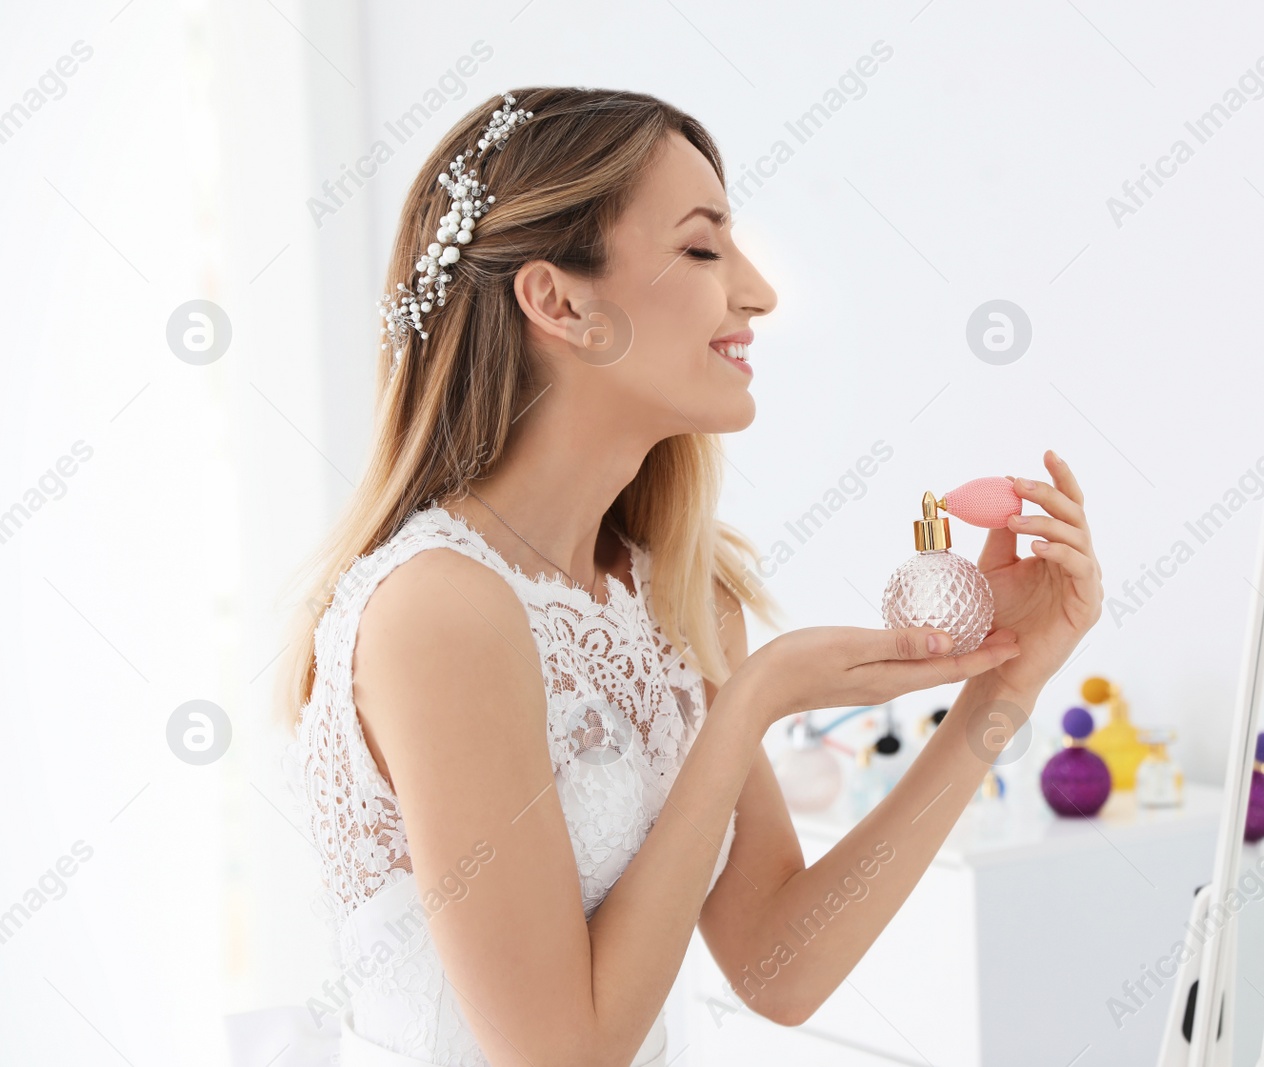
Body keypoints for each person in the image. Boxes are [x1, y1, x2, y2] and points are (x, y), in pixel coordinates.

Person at [280, 87, 1102, 1067]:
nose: (756, 292)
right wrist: (750, 701)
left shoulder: (680, 598)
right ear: (560, 301)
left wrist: (1003, 683)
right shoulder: (436, 612)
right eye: (705, 247)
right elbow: (559, 1054)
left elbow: (780, 964)